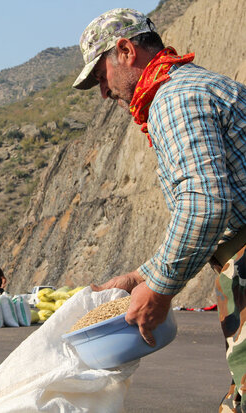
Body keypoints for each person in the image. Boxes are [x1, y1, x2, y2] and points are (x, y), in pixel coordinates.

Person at [73, 8, 246, 411]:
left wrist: (159, 288)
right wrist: (140, 275)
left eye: (102, 77)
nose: (104, 92)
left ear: (126, 51)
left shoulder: (174, 98)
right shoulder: (194, 86)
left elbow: (205, 205)